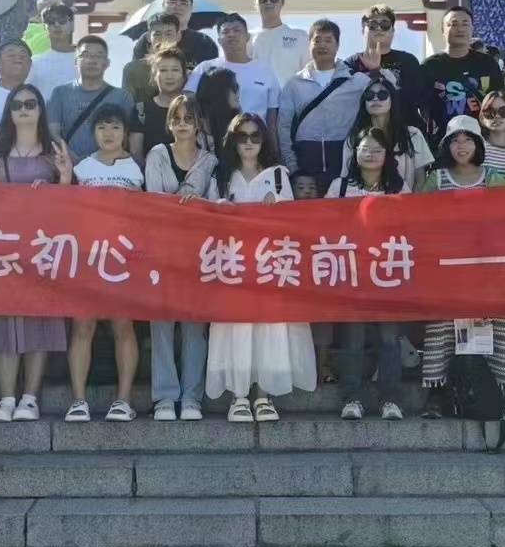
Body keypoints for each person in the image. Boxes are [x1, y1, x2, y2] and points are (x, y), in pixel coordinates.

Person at [205, 112, 315, 422]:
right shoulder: (221, 176)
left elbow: (293, 224)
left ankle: (264, 395)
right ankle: (239, 396)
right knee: (236, 329)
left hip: (270, 265)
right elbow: (206, 222)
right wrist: (220, 210)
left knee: (270, 329)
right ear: (233, 141)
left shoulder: (279, 175)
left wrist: (277, 207)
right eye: (242, 136)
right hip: (233, 265)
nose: (249, 142)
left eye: (255, 136)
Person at [0, 84, 74, 423]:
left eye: (30, 103)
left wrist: (63, 179)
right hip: (2, 248)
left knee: (39, 321)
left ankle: (30, 398)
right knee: (4, 321)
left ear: (40, 109)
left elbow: (72, 204)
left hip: (42, 248)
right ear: (9, 110)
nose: (23, 109)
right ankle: (6, 399)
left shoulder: (55, 151)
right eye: (17, 104)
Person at [418, 115, 505, 415]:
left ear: (478, 145)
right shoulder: (436, 178)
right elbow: (418, 219)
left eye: (468, 139)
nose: (461, 146)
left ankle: (491, 396)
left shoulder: (492, 177)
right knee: (442, 330)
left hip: (485, 269)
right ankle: (438, 396)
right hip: (446, 269)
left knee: (489, 330)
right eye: (455, 140)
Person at [65, 106, 144, 422]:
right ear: (93, 132)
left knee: (122, 325)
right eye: (102, 127)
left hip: (125, 259)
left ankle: (123, 400)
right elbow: (68, 211)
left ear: (125, 132)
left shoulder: (137, 167)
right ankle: (78, 400)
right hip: (87, 257)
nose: (108, 133)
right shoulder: (82, 168)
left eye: (115, 127)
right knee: (82, 326)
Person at [325, 127, 407, 421]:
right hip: (352, 272)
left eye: (377, 149)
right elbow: (323, 223)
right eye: (364, 148)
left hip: (388, 272)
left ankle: (390, 400)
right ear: (355, 153)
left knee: (389, 339)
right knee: (353, 338)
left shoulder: (399, 188)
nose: (370, 154)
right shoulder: (340, 186)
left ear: (387, 155)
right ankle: (352, 398)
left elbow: (410, 226)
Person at [145, 94, 218, 420]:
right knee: (161, 325)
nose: (183, 124)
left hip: (198, 253)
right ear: (169, 123)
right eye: (177, 119)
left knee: (194, 327)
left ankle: (191, 398)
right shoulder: (157, 154)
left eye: (189, 119)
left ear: (199, 123)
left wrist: (196, 205)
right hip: (161, 251)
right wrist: (184, 202)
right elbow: (154, 201)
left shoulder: (211, 161)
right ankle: (164, 397)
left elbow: (214, 205)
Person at [278, 20, 370, 193]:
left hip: (344, 163)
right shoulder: (294, 84)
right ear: (309, 44)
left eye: (328, 40)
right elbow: (283, 127)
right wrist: (293, 167)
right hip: (306, 167)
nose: (322, 45)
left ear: (338, 45)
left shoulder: (356, 81)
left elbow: (383, 98)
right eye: (317, 40)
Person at [187, 14, 282, 138]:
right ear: (219, 40)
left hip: (255, 141)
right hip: (215, 140)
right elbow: (188, 102)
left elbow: (272, 119)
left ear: (248, 37)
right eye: (226, 32)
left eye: (237, 30)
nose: (231, 34)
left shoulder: (265, 70)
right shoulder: (205, 68)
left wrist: (273, 147)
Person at [422, 5, 505, 141]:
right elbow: (421, 105)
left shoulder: (487, 63)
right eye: (453, 24)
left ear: (472, 29)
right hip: (441, 141)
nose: (460, 29)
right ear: (443, 30)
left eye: (465, 24)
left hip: (482, 140)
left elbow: (501, 100)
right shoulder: (429, 66)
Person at [47, 36, 133, 162]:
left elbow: (128, 136)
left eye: (98, 56)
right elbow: (53, 132)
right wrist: (71, 157)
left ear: (107, 63)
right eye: (85, 55)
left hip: (109, 166)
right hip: (69, 165)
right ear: (76, 61)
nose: (92, 60)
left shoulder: (122, 97)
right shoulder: (60, 93)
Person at [339, 77, 433, 187]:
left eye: (382, 95)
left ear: (392, 99)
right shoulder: (353, 139)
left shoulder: (413, 135)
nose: (375, 99)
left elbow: (420, 180)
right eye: (369, 95)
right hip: (364, 197)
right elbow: (347, 180)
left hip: (405, 197)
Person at [345, 5, 424, 129]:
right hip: (365, 132)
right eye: (372, 25)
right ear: (363, 30)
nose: (379, 28)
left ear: (393, 31)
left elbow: (418, 98)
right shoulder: (351, 64)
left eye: (385, 25)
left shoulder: (408, 61)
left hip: (404, 130)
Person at [131, 0, 219, 66]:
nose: (178, 7)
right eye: (172, 2)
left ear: (191, 7)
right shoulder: (147, 40)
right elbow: (135, 72)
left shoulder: (204, 42)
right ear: (163, 5)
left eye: (183, 3)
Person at [130, 48, 187, 163]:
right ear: (154, 76)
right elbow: (136, 154)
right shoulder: (141, 110)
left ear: (184, 75)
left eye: (175, 70)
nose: (169, 76)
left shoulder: (194, 108)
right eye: (163, 70)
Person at [249, 0, 309, 85]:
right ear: (255, 2)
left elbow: (309, 75)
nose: (268, 2)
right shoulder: (246, 39)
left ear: (282, 1)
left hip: (290, 96)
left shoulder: (300, 37)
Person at [122, 11, 182, 102]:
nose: (163, 39)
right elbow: (127, 106)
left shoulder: (187, 71)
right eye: (157, 34)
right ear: (149, 37)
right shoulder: (133, 70)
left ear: (178, 36)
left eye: (169, 34)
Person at [27, 2, 79, 97]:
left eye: (62, 20)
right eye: (50, 21)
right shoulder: (34, 62)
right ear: (44, 27)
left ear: (72, 24)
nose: (56, 24)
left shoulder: (85, 60)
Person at [194, 66, 243, 157]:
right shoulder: (196, 130)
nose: (238, 92)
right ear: (219, 92)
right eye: (234, 87)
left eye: (237, 87)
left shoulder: (240, 124)